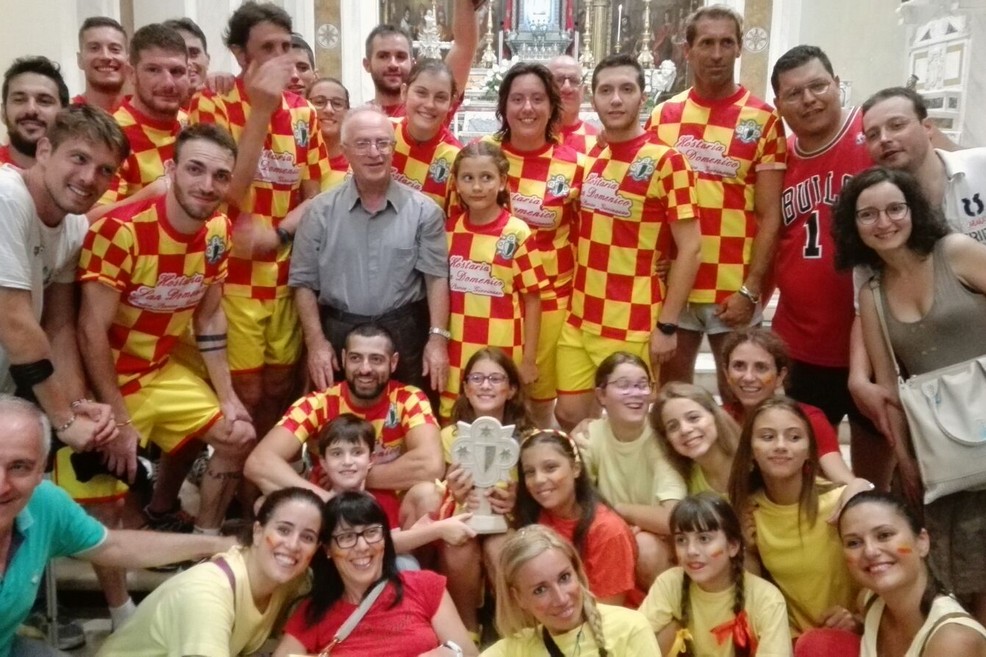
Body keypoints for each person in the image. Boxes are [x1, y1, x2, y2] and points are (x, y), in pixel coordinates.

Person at [832, 165, 986, 625]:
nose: (884, 222)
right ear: (854, 226)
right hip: (945, 455)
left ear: (914, 210)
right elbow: (889, 385)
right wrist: (906, 463)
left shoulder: (955, 252)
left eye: (895, 208)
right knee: (965, 581)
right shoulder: (872, 294)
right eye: (868, 214)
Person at [188, 1, 329, 439]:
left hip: (286, 274)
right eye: (268, 47)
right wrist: (261, 112)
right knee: (244, 390)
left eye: (286, 46)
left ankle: (267, 490)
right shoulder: (210, 104)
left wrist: (282, 231)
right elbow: (227, 190)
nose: (281, 57)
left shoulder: (304, 115)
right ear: (240, 54)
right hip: (231, 279)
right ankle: (242, 494)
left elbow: (316, 196)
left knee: (279, 388)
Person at [0, 394, 233, 657]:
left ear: (41, 469)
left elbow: (114, 545)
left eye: (19, 467)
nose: (2, 485)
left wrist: (218, 544)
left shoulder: (44, 503)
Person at [645, 4, 786, 399]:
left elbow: (770, 212)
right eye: (706, 43)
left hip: (732, 287)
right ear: (687, 51)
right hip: (676, 286)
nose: (717, 54)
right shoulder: (663, 116)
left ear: (740, 49)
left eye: (727, 43)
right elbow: (652, 202)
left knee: (743, 401)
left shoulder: (763, 119)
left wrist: (752, 289)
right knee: (672, 399)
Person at [555, 53, 701, 428]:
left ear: (642, 96)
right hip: (581, 314)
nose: (615, 99)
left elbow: (691, 248)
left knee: (630, 424)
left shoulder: (668, 162)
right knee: (570, 414)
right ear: (593, 98)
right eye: (606, 90)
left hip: (634, 319)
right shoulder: (593, 160)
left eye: (626, 89)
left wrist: (667, 325)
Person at [769, 45, 889, 490]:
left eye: (818, 86)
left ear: (838, 85)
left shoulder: (872, 137)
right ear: (779, 104)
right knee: (811, 472)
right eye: (794, 93)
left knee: (877, 460)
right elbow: (768, 239)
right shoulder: (778, 159)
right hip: (801, 340)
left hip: (875, 338)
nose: (809, 100)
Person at [850, 87, 986, 441]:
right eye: (874, 134)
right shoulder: (882, 220)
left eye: (897, 125)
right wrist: (858, 375)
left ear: (928, 127)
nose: (886, 139)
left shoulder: (982, 169)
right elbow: (867, 307)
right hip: (939, 389)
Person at [290, 106, 449, 401]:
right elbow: (303, 282)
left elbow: (436, 279)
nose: (374, 152)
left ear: (393, 149)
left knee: (411, 421)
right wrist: (316, 343)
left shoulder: (425, 212)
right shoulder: (319, 212)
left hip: (405, 334)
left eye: (382, 143)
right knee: (335, 426)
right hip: (338, 334)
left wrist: (437, 340)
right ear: (346, 150)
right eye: (362, 144)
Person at [0, 105, 125, 455]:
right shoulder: (6, 198)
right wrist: (64, 421)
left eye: (104, 170)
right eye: (79, 158)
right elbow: (14, 322)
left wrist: (75, 404)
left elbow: (59, 327)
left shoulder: (74, 226)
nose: (89, 178)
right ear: (44, 151)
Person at [245, 323, 444, 527]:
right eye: (355, 358)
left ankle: (410, 559)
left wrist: (345, 475)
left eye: (376, 359)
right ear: (343, 359)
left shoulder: (409, 398)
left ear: (393, 363)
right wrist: (329, 499)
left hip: (392, 509)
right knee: (264, 505)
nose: (365, 369)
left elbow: (431, 465)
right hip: (329, 509)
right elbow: (259, 463)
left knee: (429, 495)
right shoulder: (318, 403)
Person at [96, 487, 324, 657]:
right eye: (283, 530)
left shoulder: (295, 580)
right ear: (257, 531)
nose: (293, 545)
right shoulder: (207, 594)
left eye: (308, 537)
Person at [485, 62, 582, 428]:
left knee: (539, 406)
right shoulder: (483, 155)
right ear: (504, 106)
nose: (528, 108)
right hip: (491, 298)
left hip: (551, 302)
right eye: (518, 99)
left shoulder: (576, 165)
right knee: (490, 396)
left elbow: (591, 231)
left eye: (538, 99)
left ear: (552, 105)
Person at [273, 491, 478, 657]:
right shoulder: (313, 612)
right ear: (327, 549)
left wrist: (451, 653)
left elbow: (468, 654)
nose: (362, 546)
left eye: (371, 532)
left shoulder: (425, 585)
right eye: (346, 537)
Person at [728, 397, 860, 652]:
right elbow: (754, 597)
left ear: (810, 451)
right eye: (767, 437)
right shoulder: (747, 510)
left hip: (848, 637)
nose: (780, 446)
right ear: (751, 451)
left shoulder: (840, 504)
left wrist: (859, 619)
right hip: (786, 640)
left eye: (793, 437)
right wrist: (746, 547)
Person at [442, 142, 545, 419]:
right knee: (454, 422)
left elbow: (533, 299)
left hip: (503, 351)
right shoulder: (448, 231)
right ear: (457, 185)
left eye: (486, 177)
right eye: (468, 178)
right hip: (456, 352)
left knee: (502, 423)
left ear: (502, 182)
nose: (477, 187)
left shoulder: (517, 232)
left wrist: (528, 360)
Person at [439, 348, 534, 635]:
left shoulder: (529, 439)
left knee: (501, 548)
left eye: (495, 378)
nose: (485, 385)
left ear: (511, 389)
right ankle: (469, 630)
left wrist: (518, 501)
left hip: (507, 522)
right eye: (477, 378)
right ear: (466, 388)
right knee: (458, 547)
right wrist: (453, 493)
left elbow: (541, 498)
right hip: (464, 517)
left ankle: (518, 632)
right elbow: (437, 491)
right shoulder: (449, 437)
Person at [720, 328, 870, 508]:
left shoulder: (806, 419)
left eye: (761, 367)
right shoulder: (718, 419)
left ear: (780, 376)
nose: (748, 377)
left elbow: (842, 477)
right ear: (726, 373)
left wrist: (858, 488)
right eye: (739, 366)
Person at [578, 352, 685, 589]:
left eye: (642, 385)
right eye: (624, 386)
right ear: (601, 395)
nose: (635, 393)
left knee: (644, 546)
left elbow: (673, 518)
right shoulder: (590, 435)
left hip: (659, 542)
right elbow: (576, 500)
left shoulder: (662, 439)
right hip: (609, 533)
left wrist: (619, 510)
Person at [639, 492, 792, 657]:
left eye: (704, 539)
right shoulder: (670, 583)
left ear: (733, 546)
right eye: (681, 540)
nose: (691, 551)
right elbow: (631, 641)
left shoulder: (767, 600)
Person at [838, 491, 986, 657]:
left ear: (922, 541)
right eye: (854, 543)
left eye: (884, 535)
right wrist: (854, 624)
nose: (870, 551)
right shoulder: (869, 601)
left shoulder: (953, 641)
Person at [481, 524, 660, 656]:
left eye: (564, 578)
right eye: (540, 589)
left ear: (578, 572)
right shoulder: (513, 650)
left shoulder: (629, 628)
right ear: (518, 597)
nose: (561, 599)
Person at [516, 430, 637, 605]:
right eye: (529, 472)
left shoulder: (607, 529)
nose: (539, 479)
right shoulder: (533, 515)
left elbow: (610, 612)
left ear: (575, 469)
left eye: (550, 468)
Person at [90, 22, 192, 221]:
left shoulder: (191, 123)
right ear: (132, 74)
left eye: (177, 71)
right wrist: (154, 194)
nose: (168, 83)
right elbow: (89, 220)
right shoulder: (110, 135)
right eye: (153, 70)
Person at [364, 0, 478, 119]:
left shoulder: (428, 111)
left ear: (413, 63)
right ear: (367, 64)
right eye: (383, 56)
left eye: (401, 56)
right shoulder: (357, 118)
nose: (393, 64)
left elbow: (464, 47)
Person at [392, 59, 462, 215]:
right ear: (404, 92)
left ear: (451, 103)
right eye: (421, 93)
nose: (430, 104)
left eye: (441, 97)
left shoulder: (457, 158)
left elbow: (454, 223)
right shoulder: (382, 134)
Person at [653, 381, 742, 496]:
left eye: (693, 418)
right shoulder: (683, 480)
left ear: (715, 415)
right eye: (673, 427)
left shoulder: (753, 466)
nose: (685, 430)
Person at [1, 56, 69, 169]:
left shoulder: (81, 176)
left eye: (44, 101)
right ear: (3, 112)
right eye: (19, 100)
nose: (31, 109)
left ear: (65, 114)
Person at [546, 55, 599, 155]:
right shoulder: (533, 137)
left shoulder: (599, 141)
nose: (567, 87)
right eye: (558, 80)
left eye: (574, 80)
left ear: (583, 90)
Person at [73, 16, 128, 112]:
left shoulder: (146, 115)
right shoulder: (63, 116)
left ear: (128, 60)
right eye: (94, 48)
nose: (105, 56)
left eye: (114, 49)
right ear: (80, 60)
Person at [308, 76, 350, 190]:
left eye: (337, 104)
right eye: (319, 102)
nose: (329, 110)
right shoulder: (296, 159)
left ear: (347, 112)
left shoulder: (358, 161)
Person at [163, 18, 211, 98]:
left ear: (207, 59)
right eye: (177, 55)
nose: (188, 62)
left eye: (194, 53)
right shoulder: (151, 107)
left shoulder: (226, 100)